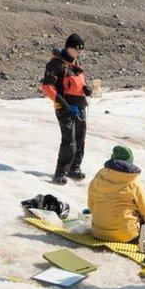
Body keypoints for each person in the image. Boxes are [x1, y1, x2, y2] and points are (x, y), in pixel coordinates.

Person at [87, 145, 145, 245]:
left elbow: (91, 204)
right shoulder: (132, 181)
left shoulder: (99, 176)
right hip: (126, 235)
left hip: (98, 232)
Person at [40, 33, 91, 184]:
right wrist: (60, 101)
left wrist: (86, 89)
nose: (79, 51)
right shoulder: (56, 64)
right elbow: (46, 86)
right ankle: (60, 172)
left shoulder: (74, 62)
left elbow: (77, 82)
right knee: (69, 141)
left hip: (79, 105)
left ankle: (75, 168)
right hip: (65, 106)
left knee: (80, 139)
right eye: (77, 48)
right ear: (68, 47)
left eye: (81, 49)